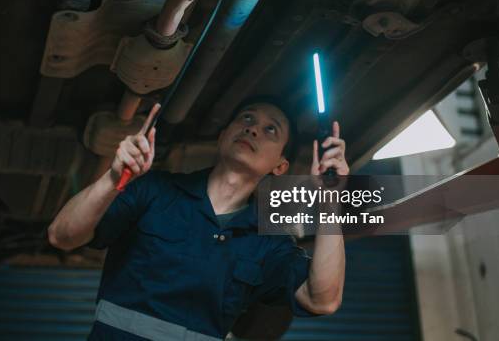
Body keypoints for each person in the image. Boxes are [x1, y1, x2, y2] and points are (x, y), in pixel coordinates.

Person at [48, 97, 349, 340]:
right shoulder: (154, 190)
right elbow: (61, 236)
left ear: (280, 167)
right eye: (246, 118)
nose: (253, 129)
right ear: (222, 136)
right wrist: (112, 177)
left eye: (272, 129)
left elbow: (322, 300)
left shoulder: (269, 243)